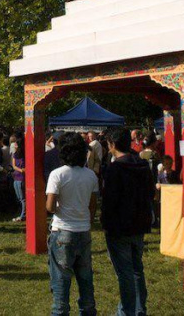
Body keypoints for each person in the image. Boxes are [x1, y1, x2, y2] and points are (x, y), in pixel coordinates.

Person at [101, 127, 154, 316]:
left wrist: (105, 223)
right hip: (139, 224)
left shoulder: (115, 169)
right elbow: (150, 193)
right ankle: (139, 309)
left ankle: (127, 311)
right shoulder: (142, 165)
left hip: (119, 227)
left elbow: (109, 200)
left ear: (112, 144)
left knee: (124, 274)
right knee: (136, 269)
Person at [46, 132, 99, 316]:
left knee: (60, 279)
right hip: (83, 230)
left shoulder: (57, 175)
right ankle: (88, 311)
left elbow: (50, 206)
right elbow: (93, 206)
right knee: (85, 279)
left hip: (62, 229)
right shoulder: (91, 175)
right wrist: (86, 220)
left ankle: (60, 312)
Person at [12, 137, 26, 222]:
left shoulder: (23, 154)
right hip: (17, 177)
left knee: (22, 198)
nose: (14, 145)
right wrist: (21, 170)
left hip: (21, 178)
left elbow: (14, 166)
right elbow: (13, 165)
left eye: (16, 144)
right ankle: (22, 213)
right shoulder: (15, 154)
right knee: (20, 198)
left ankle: (23, 215)